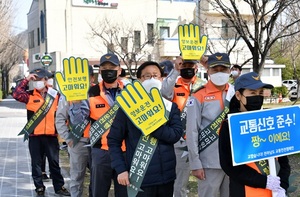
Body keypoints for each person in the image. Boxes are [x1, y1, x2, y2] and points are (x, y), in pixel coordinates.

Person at [107, 61, 183, 197]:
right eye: (147, 76)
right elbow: (113, 140)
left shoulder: (170, 107)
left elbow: (175, 135)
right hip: (139, 176)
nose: (152, 79)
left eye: (156, 75)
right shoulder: (127, 109)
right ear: (139, 80)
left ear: (161, 78)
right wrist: (121, 169)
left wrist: (152, 125)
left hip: (166, 177)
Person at [219, 72, 290, 197]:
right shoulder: (229, 124)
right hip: (245, 190)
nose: (257, 97)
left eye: (260, 93)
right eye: (252, 93)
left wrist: (283, 186)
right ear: (238, 95)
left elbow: (284, 161)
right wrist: (264, 182)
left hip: (275, 191)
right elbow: (228, 165)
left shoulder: (271, 120)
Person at [12, 68, 70, 197]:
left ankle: (59, 187)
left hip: (51, 135)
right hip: (34, 136)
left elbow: (65, 112)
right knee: (36, 163)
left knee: (54, 163)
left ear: (46, 80)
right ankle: (39, 187)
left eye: (40, 79)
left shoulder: (56, 95)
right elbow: (16, 94)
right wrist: (26, 79)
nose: (37, 82)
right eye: (35, 79)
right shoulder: (30, 95)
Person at [186, 52, 235, 197]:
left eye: (223, 69)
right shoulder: (198, 96)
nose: (219, 73)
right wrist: (195, 163)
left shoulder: (236, 93)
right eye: (215, 69)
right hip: (209, 162)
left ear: (229, 70)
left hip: (234, 160)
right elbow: (192, 131)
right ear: (208, 71)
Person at [161, 56, 206, 197]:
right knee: (179, 181)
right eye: (184, 65)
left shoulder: (203, 85)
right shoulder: (174, 84)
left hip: (201, 139)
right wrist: (175, 70)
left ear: (196, 68)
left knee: (206, 179)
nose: (187, 68)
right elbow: (164, 93)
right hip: (179, 140)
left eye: (190, 65)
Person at [55, 65, 95, 197]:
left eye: (85, 77)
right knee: (77, 177)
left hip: (99, 143)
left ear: (91, 78)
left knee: (97, 179)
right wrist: (68, 138)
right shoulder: (68, 95)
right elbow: (60, 119)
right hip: (78, 142)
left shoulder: (98, 92)